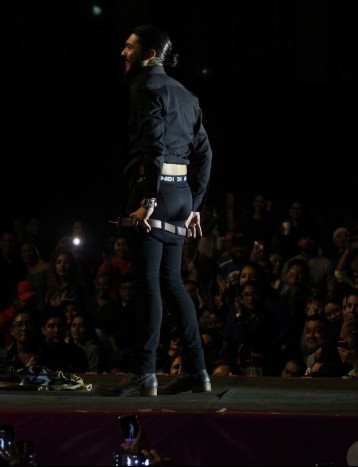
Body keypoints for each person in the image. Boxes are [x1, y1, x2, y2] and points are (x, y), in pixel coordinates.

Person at [97, 25, 213, 397]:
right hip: (180, 194)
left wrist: (148, 200)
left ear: (149, 55)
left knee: (147, 285)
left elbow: (154, 145)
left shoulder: (145, 88)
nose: (123, 52)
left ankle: (144, 373)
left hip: (156, 190)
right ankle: (196, 370)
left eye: (129, 47)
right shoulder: (186, 94)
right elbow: (205, 153)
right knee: (172, 283)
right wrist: (194, 204)